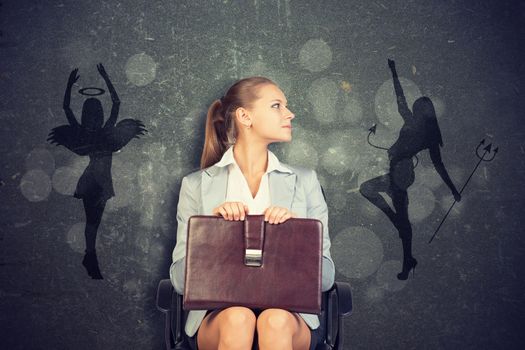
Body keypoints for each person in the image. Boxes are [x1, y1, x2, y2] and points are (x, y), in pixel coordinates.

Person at [169, 77, 335, 350]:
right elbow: (178, 280)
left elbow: (326, 278)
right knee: (238, 318)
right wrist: (214, 231)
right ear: (245, 116)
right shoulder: (195, 186)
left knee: (274, 321)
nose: (289, 113)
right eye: (277, 106)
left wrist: (296, 233)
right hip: (218, 317)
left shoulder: (305, 181)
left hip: (290, 316)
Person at [360, 59, 461, 280]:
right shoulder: (412, 121)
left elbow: (439, 165)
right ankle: (407, 256)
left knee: (371, 192)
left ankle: (404, 247)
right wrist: (394, 73)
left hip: (402, 173)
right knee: (371, 192)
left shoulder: (429, 136)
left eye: (422, 107)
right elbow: (400, 100)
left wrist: (453, 189)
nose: (416, 109)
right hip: (397, 171)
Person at [48, 64, 146, 279]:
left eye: (95, 114)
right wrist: (103, 78)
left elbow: (71, 108)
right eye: (91, 115)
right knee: (93, 220)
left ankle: (90, 254)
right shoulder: (101, 134)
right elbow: (112, 104)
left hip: (97, 180)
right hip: (96, 181)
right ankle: (90, 255)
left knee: (93, 220)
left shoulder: (99, 134)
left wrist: (74, 85)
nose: (93, 118)